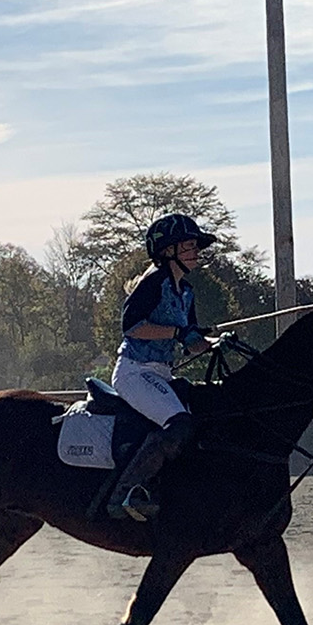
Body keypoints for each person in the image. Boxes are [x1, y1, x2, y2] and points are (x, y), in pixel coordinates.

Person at [105, 214, 218, 521]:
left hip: (162, 374)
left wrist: (213, 342)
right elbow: (132, 327)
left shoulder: (187, 291)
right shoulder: (153, 283)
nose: (196, 252)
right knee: (179, 424)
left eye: (196, 246)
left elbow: (191, 340)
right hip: (134, 372)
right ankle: (127, 493)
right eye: (189, 246)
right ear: (168, 251)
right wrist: (179, 333)